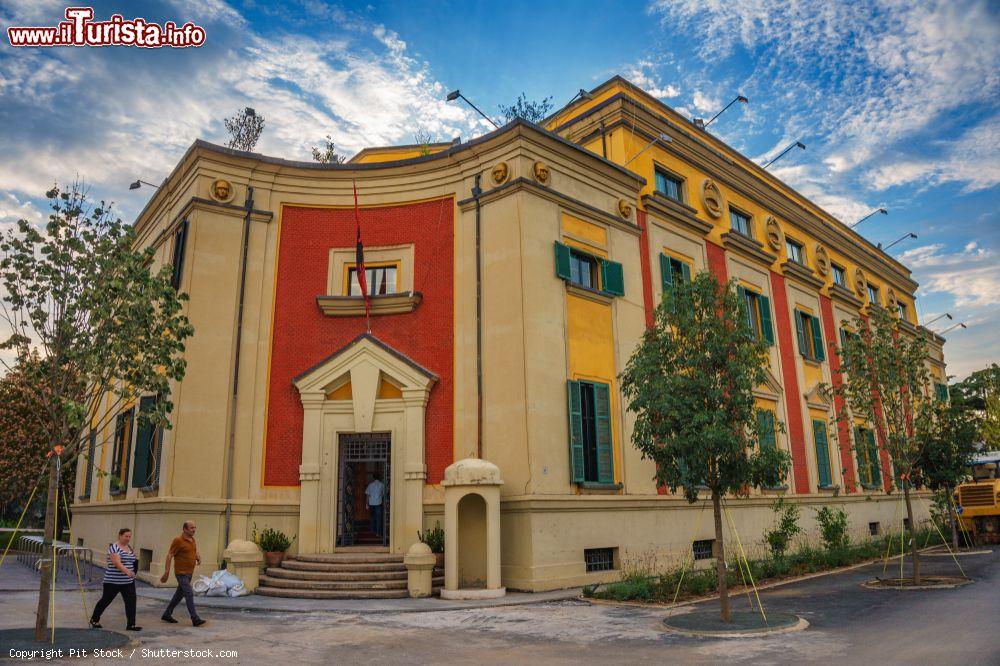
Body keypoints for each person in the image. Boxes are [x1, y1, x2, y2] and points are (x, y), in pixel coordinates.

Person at [90, 528, 141, 631]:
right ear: (120, 536)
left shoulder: (129, 547)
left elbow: (134, 560)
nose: (128, 538)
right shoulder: (114, 548)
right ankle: (94, 620)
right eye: (126, 536)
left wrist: (134, 572)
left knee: (131, 601)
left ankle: (131, 625)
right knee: (106, 600)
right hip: (112, 581)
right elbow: (117, 563)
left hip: (128, 582)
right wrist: (128, 572)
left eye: (129, 536)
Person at [159, 520, 205, 627]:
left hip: (189, 572)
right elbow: (169, 555)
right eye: (191, 528)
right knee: (189, 593)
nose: (194, 530)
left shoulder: (192, 540)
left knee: (178, 595)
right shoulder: (178, 540)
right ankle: (195, 619)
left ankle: (167, 614)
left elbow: (193, 550)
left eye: (194, 528)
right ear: (184, 529)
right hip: (181, 573)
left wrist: (197, 556)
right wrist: (166, 573)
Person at [365, 472, 385, 537]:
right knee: (378, 519)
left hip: (371, 504)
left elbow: (367, 495)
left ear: (373, 478)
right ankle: (378, 533)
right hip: (378, 503)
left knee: (372, 518)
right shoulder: (382, 485)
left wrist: (367, 503)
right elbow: (384, 494)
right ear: (379, 478)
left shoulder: (370, 485)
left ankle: (372, 531)